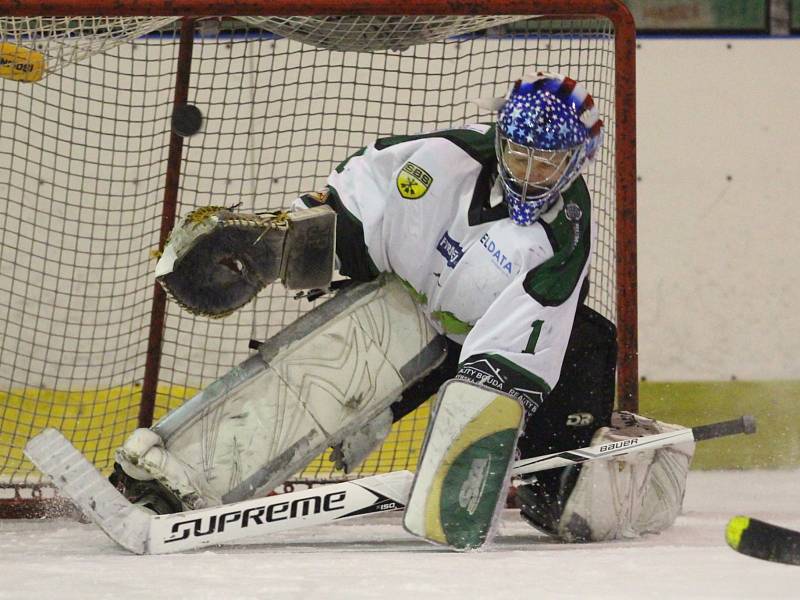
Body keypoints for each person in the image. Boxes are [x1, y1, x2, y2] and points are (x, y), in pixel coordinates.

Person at [111, 72, 695, 543]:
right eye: (519, 156)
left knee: (564, 506)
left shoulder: (562, 235)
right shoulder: (447, 155)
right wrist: (306, 231)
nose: (530, 173)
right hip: (413, 305)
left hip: (499, 346)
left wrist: (478, 412)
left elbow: (524, 333)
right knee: (307, 383)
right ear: (500, 138)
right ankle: (172, 480)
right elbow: (372, 182)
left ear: (576, 162)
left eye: (547, 163)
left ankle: (619, 476)